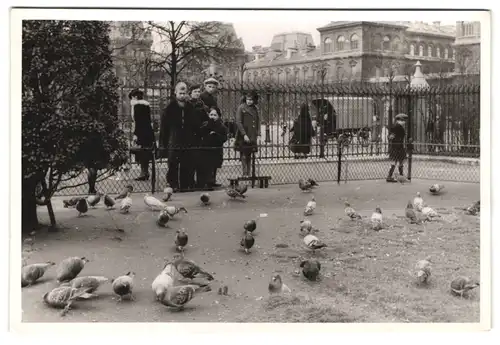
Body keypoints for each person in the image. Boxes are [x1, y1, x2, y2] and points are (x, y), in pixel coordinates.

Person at [159, 82, 201, 192]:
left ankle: (186, 184)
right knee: (173, 163)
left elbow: (195, 124)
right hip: (174, 138)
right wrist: (163, 144)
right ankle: (173, 184)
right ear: (175, 93)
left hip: (188, 139)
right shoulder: (170, 108)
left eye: (184, 93)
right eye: (180, 93)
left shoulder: (190, 107)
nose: (182, 95)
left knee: (187, 162)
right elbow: (164, 127)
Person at [129, 89, 155, 181]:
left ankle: (143, 173)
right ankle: (145, 172)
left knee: (141, 152)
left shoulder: (137, 106)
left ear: (135, 97)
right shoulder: (146, 105)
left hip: (140, 132)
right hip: (148, 131)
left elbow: (137, 121)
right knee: (146, 152)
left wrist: (135, 134)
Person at [199, 107, 228, 190]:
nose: (212, 116)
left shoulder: (221, 126)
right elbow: (201, 133)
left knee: (214, 165)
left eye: (215, 115)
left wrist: (216, 134)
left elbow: (224, 138)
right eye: (211, 114)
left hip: (216, 149)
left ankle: (212, 181)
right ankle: (207, 182)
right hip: (206, 149)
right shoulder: (206, 124)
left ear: (218, 116)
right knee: (207, 166)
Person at [234, 91, 260, 177]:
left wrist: (258, 133)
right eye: (248, 99)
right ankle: (244, 173)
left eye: (251, 100)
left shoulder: (255, 109)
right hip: (243, 135)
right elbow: (238, 122)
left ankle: (249, 173)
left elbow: (257, 121)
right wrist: (244, 134)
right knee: (244, 154)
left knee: (250, 155)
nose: (249, 101)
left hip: (252, 135)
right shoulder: (241, 108)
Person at [189, 84, 210, 189]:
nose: (197, 93)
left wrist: (204, 126)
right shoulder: (188, 105)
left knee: (201, 161)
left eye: (198, 91)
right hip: (190, 136)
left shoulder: (203, 106)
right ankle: (190, 183)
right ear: (190, 93)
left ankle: (201, 183)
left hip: (201, 136)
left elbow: (207, 119)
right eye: (195, 92)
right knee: (191, 161)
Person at [386, 113, 408, 182]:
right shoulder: (396, 127)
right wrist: (396, 140)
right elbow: (390, 137)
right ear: (400, 120)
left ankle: (400, 176)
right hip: (397, 147)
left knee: (399, 161)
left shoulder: (399, 127)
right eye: (403, 120)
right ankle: (390, 176)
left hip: (398, 147)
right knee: (395, 162)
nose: (404, 122)